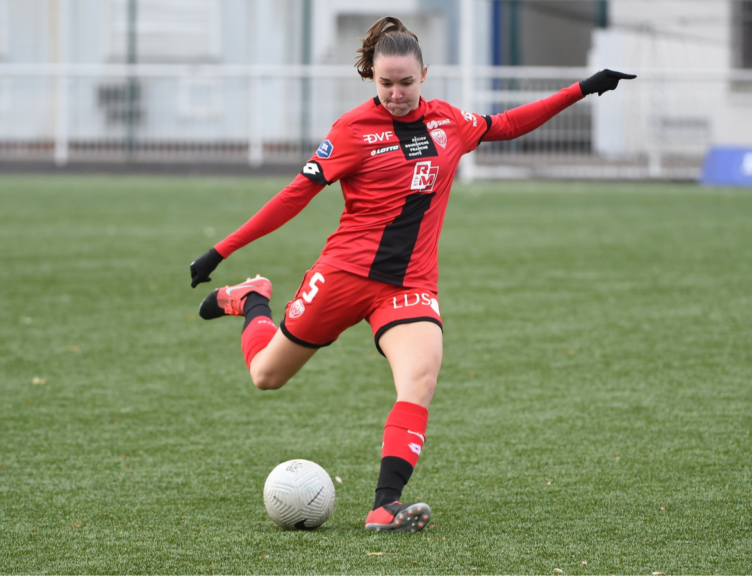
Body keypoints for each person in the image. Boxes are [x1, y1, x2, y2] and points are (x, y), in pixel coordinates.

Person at [189, 16, 634, 532]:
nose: (396, 94)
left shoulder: (449, 122)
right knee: (267, 376)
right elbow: (293, 197)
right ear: (371, 78)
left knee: (419, 379)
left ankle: (385, 505)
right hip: (343, 275)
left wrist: (582, 88)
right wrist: (221, 250)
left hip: (409, 286)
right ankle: (252, 299)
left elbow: (507, 124)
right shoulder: (351, 131)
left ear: (425, 74)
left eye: (406, 82)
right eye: (386, 84)